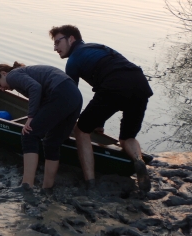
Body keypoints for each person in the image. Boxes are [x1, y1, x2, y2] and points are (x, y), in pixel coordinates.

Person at [49, 25, 153, 192]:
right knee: (127, 137)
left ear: (71, 39)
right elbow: (104, 87)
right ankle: (138, 160)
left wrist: (62, 123)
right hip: (139, 83)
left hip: (115, 83)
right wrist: (99, 122)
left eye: (57, 42)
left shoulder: (73, 60)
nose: (55, 48)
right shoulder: (97, 47)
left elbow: (71, 98)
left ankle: (90, 182)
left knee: (81, 129)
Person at [0, 62, 82, 192]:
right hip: (75, 96)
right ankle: (47, 188)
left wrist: (31, 117)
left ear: (3, 74)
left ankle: (26, 185)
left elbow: (35, 88)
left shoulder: (12, 75)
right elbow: (42, 99)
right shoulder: (24, 73)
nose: (2, 89)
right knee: (51, 143)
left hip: (61, 92)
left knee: (28, 134)